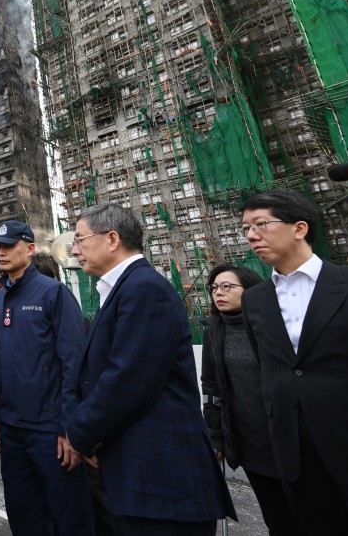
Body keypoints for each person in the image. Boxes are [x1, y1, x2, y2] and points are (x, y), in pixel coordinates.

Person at [66, 203, 234, 535]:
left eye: (80, 240)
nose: (74, 251)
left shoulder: (143, 288)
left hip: (161, 479)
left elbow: (127, 381)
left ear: (112, 239)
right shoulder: (122, 289)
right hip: (138, 472)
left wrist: (79, 434)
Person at [239, 190, 348, 535]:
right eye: (246, 228)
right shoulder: (255, 300)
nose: (251, 236)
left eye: (261, 224)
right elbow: (269, 368)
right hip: (295, 454)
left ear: (299, 228)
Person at [0, 221, 93, 536]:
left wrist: (69, 427)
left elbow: (74, 362)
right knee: (23, 511)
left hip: (50, 428)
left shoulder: (53, 292)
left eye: (9, 245)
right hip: (12, 428)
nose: (1, 252)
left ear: (30, 248)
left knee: (69, 513)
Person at [201, 263, 303, 536]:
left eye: (227, 286)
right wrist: (216, 435)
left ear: (252, 289)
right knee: (278, 520)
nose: (218, 292)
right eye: (214, 288)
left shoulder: (277, 323)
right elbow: (211, 386)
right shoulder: (213, 330)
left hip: (293, 438)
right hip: (251, 444)